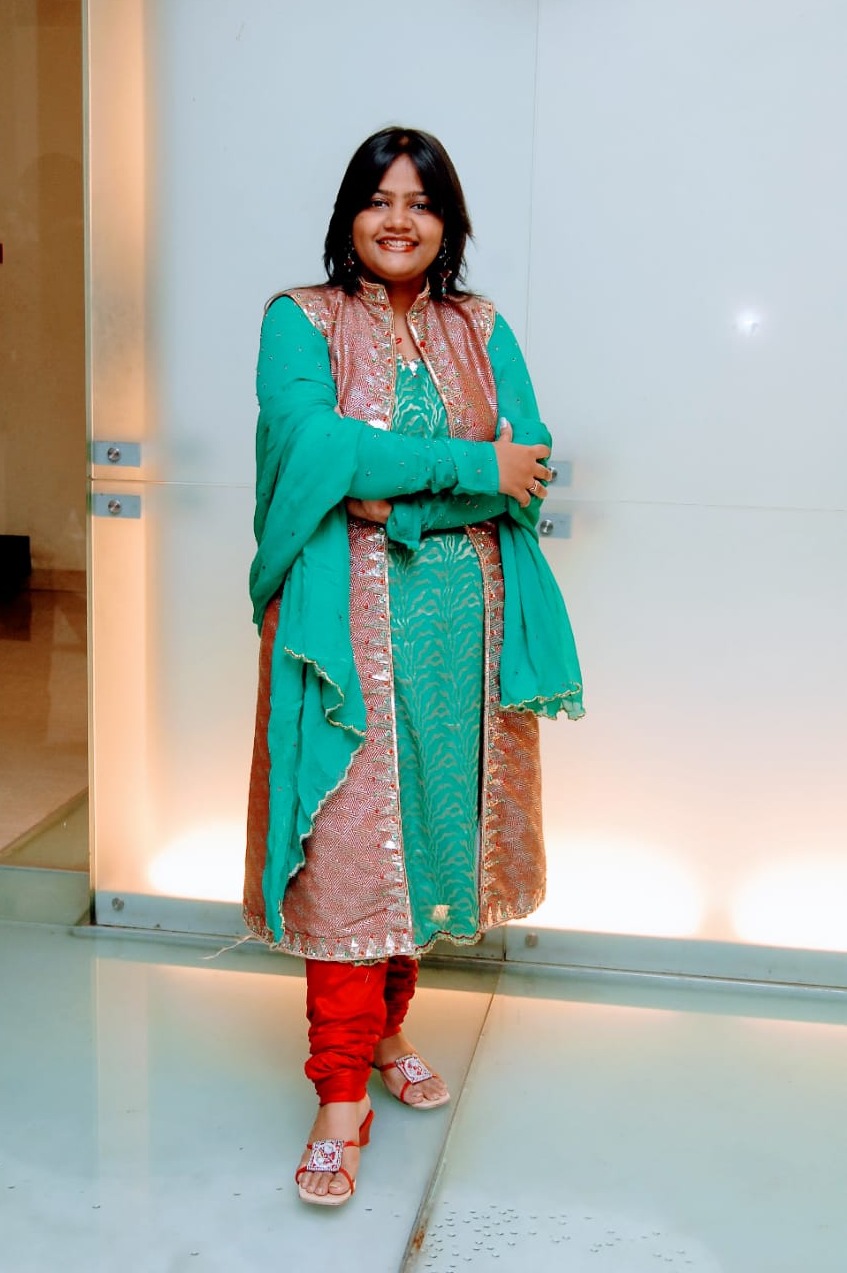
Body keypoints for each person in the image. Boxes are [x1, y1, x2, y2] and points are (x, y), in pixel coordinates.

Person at [244, 127, 583, 1207]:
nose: (399, 220)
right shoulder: (300, 318)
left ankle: (388, 1031)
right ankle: (339, 1094)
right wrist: (469, 466)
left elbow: (528, 464)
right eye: (378, 199)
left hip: (462, 635)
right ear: (348, 214)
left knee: (428, 837)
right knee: (349, 852)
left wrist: (393, 497)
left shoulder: (480, 327)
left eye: (421, 203)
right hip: (343, 628)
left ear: (449, 222)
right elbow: (313, 448)